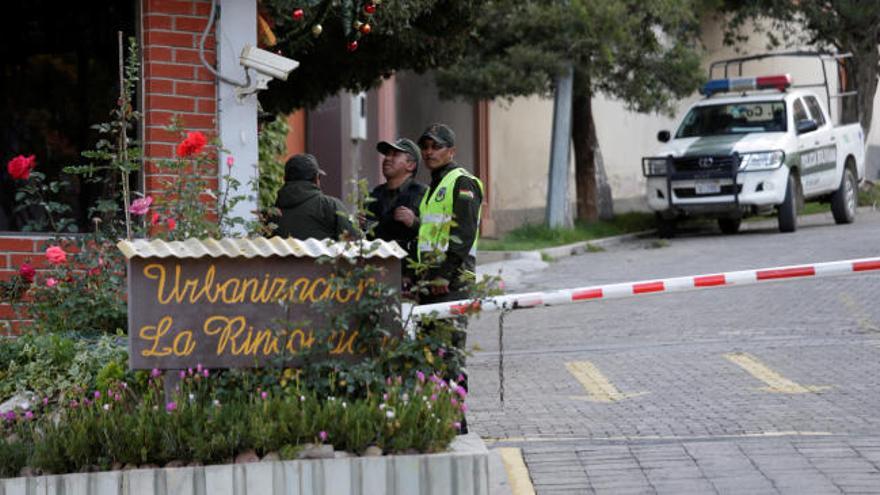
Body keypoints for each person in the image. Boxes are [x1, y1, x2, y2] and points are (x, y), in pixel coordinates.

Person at [416, 123, 484, 304]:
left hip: (453, 278)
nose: (429, 152)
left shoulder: (462, 181)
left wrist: (444, 273)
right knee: (429, 333)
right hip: (431, 276)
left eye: (437, 147)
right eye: (425, 147)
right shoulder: (435, 186)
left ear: (451, 151)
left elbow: (464, 231)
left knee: (449, 332)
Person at [366, 137, 427, 282]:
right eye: (387, 154)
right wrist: (362, 226)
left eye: (395, 155)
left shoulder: (423, 194)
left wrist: (415, 223)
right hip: (376, 274)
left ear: (410, 165)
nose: (387, 158)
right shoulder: (374, 194)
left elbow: (437, 234)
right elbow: (367, 236)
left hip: (409, 277)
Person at [272, 153, 352, 240]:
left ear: (284, 179)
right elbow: (354, 244)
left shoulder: (271, 214)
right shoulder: (330, 206)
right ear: (316, 178)